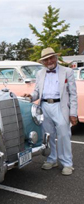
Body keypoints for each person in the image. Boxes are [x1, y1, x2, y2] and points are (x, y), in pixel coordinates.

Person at [23, 47, 78, 175]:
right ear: (43, 62)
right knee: (48, 135)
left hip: (60, 106)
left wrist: (73, 113)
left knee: (64, 135)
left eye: (51, 58)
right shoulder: (40, 73)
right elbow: (37, 92)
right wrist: (31, 97)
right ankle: (52, 159)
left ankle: (67, 163)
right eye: (46, 60)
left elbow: (73, 95)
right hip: (44, 106)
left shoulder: (67, 72)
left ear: (56, 57)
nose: (49, 61)